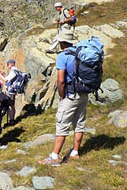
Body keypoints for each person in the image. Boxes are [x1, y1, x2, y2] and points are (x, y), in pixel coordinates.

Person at [38, 29, 88, 166]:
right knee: (79, 123)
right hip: (84, 93)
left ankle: (55, 157)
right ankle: (75, 152)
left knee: (62, 125)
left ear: (62, 42)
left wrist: (62, 96)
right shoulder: (81, 53)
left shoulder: (62, 56)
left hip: (70, 95)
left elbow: (60, 81)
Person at [0, 59, 18, 125]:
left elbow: (6, 80)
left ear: (10, 64)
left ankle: (12, 120)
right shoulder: (15, 70)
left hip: (10, 91)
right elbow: (9, 79)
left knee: (9, 106)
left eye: (7, 64)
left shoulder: (13, 71)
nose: (7, 66)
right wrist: (3, 74)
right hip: (12, 90)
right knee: (11, 105)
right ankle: (12, 119)